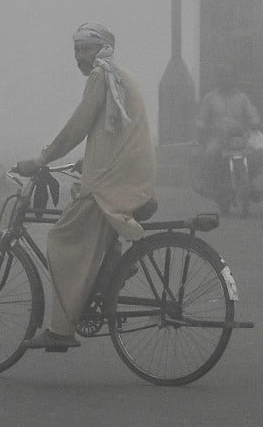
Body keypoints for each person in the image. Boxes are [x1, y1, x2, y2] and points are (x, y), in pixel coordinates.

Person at [12, 23, 157, 351]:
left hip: (117, 179)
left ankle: (61, 330)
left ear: (102, 49)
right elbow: (112, 129)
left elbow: (78, 126)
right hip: (131, 172)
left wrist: (41, 159)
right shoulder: (116, 74)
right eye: (77, 49)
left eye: (86, 49)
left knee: (62, 237)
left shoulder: (101, 75)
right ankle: (109, 272)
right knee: (87, 222)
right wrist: (89, 160)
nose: (79, 57)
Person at [194, 64, 263, 201]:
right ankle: (207, 184)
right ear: (218, 79)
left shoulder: (242, 98)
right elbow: (202, 117)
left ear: (235, 80)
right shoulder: (210, 98)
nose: (226, 80)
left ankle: (253, 185)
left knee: (258, 155)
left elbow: (251, 113)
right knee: (210, 154)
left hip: (239, 137)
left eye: (230, 77)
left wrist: (255, 121)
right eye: (223, 77)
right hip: (218, 137)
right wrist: (202, 125)